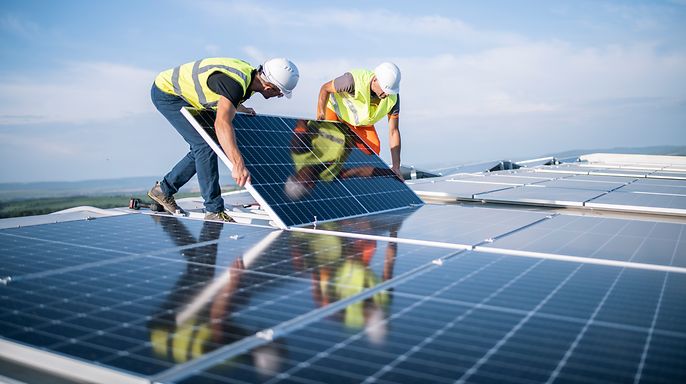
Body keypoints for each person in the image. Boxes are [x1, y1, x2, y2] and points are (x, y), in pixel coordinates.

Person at [149, 57, 300, 221]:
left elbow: (227, 94)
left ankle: (163, 190)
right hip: (168, 93)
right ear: (269, 86)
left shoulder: (248, 78)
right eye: (280, 92)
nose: (279, 96)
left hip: (181, 94)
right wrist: (238, 164)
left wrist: (239, 107)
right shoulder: (235, 84)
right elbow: (221, 124)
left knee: (206, 145)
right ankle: (214, 210)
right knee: (205, 145)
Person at [316, 62, 403, 180]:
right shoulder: (351, 81)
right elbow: (325, 88)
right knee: (332, 147)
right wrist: (321, 115)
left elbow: (393, 131)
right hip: (336, 113)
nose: (387, 94)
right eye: (385, 89)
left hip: (360, 123)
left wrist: (396, 166)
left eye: (390, 92)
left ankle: (347, 174)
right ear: (375, 79)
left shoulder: (393, 99)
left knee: (373, 151)